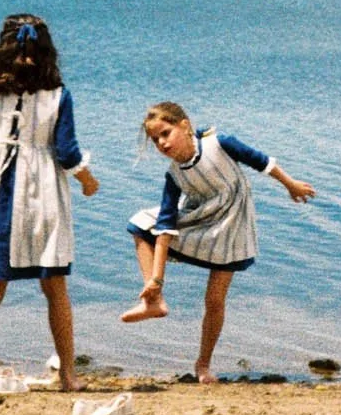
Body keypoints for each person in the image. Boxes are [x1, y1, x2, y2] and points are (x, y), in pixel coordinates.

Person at [0, 12, 100, 392]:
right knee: (55, 290)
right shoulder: (58, 95)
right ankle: (67, 374)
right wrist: (87, 179)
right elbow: (66, 151)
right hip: (41, 192)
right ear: (49, 52)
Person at [118, 100, 315, 383]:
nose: (161, 143)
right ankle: (154, 300)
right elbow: (165, 228)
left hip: (232, 224)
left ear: (184, 125)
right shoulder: (174, 175)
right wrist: (156, 280)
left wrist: (291, 184)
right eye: (155, 139)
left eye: (165, 133)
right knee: (140, 224)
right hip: (199, 219)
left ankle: (203, 365)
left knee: (214, 300)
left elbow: (263, 162)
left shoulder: (219, 143)